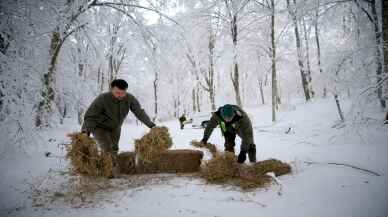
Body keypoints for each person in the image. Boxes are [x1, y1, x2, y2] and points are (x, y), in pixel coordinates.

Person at [81, 79, 155, 155]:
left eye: (123, 93)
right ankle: (106, 165)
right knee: (107, 149)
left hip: (115, 127)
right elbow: (91, 116)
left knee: (114, 149)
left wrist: (151, 125)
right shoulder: (102, 98)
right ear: (111, 89)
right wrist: (85, 131)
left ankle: (112, 165)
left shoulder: (129, 99)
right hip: (100, 127)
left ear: (126, 90)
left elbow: (139, 112)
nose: (120, 95)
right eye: (117, 93)